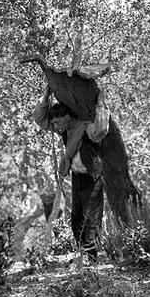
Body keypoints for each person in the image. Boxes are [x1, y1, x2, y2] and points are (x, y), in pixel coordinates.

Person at [34, 100, 112, 261]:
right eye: (54, 123)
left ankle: (91, 255)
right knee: (77, 217)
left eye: (57, 122)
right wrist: (46, 96)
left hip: (92, 177)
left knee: (91, 216)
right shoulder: (64, 131)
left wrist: (101, 106)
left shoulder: (85, 128)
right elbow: (40, 119)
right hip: (77, 177)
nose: (55, 126)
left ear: (67, 117)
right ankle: (82, 254)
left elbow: (100, 131)